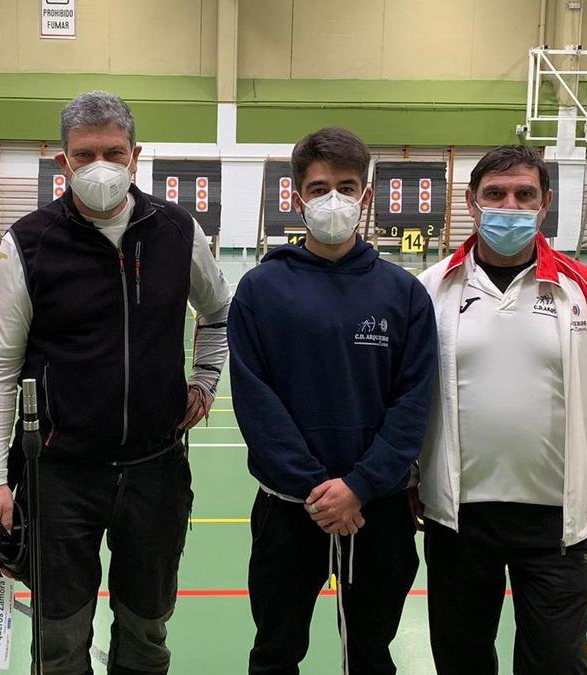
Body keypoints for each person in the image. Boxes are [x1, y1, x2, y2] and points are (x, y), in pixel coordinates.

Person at [0, 90, 231, 675]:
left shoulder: (176, 231)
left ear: (135, 155)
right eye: (84, 155)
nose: (101, 166)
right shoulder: (28, 243)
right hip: (59, 473)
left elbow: (217, 312)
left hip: (156, 469)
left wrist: (206, 378)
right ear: (62, 162)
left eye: (113, 152)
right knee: (59, 635)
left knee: (147, 625)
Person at [415, 145, 587, 674]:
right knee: (461, 660)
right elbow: (406, 399)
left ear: (544, 205)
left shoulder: (584, 291)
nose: (510, 205)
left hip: (558, 522)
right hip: (458, 517)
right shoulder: (429, 290)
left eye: (524, 194)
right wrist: (408, 480)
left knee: (557, 663)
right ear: (472, 202)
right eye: (495, 194)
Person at [228, 127, 437, 675]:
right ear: (297, 196)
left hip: (379, 511)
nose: (333, 200)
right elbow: (256, 401)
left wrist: (360, 487)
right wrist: (316, 491)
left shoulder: (403, 293)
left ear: (366, 197)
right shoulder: (260, 289)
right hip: (287, 507)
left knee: (370, 654)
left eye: (346, 186)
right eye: (319, 188)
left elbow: (414, 402)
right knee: (275, 652)